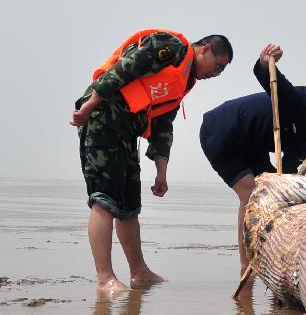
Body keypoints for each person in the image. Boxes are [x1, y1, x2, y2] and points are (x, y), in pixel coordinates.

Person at [71, 30, 232, 292]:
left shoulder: (183, 82)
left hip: (127, 131)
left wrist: (161, 172)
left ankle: (140, 272)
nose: (216, 74)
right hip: (103, 119)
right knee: (104, 199)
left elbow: (162, 126)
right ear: (205, 50)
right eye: (219, 67)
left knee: (129, 205)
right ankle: (104, 278)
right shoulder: (172, 48)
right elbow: (124, 69)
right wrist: (89, 106)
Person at [200, 44, 306, 276]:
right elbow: (274, 82)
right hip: (224, 129)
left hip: (254, 146)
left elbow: (285, 174)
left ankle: (273, 262)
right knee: (251, 195)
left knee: (272, 196)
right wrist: (264, 64)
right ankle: (245, 266)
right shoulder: (305, 103)